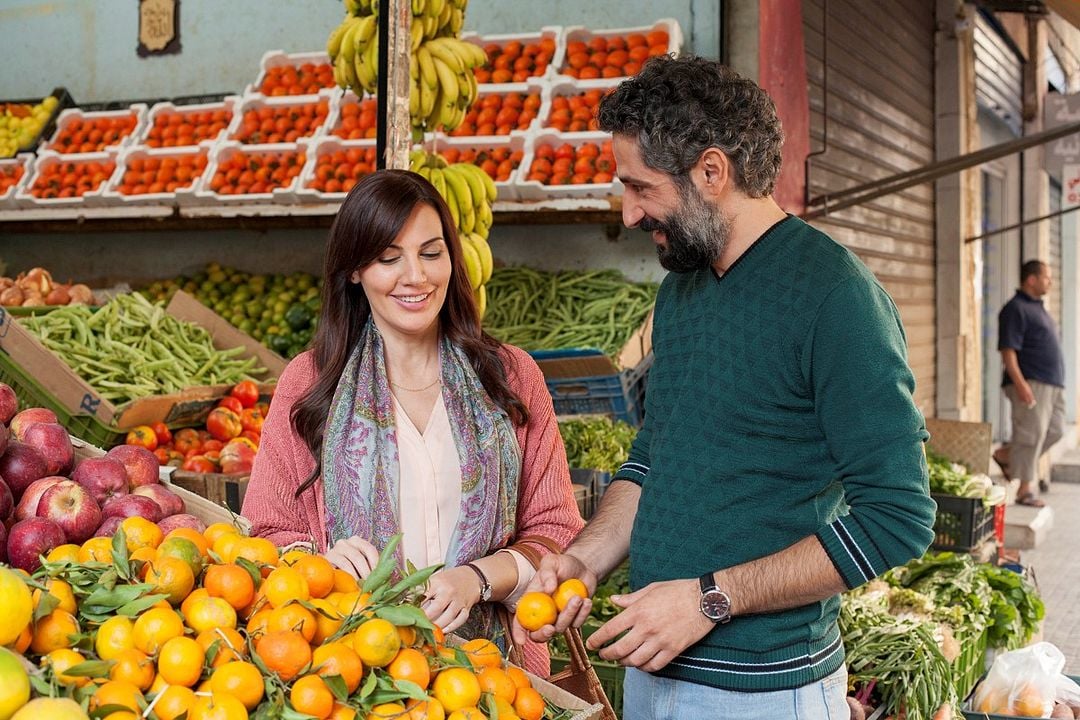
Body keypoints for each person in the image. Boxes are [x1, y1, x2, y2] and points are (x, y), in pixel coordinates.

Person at [512, 56, 937, 719]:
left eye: (640, 187)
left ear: (712, 171)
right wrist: (584, 560)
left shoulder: (836, 298)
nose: (627, 214)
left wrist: (709, 598)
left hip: (765, 693)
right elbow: (657, 458)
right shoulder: (681, 290)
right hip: (654, 669)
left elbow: (900, 518)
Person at [242, 169, 583, 675]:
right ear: (355, 270)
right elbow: (262, 535)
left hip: (497, 678)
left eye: (430, 253)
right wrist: (317, 564)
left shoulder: (510, 377)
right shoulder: (310, 384)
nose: (416, 277)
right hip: (350, 675)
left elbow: (557, 527)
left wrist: (479, 579)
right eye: (388, 258)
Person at [992, 260, 1065, 507]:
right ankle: (1024, 490)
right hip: (1031, 383)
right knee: (1030, 436)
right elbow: (1008, 351)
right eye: (1046, 277)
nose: (1050, 282)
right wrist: (1021, 384)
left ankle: (1005, 455)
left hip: (1052, 384)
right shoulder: (1015, 309)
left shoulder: (1038, 308)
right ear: (1031, 279)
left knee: (1055, 431)